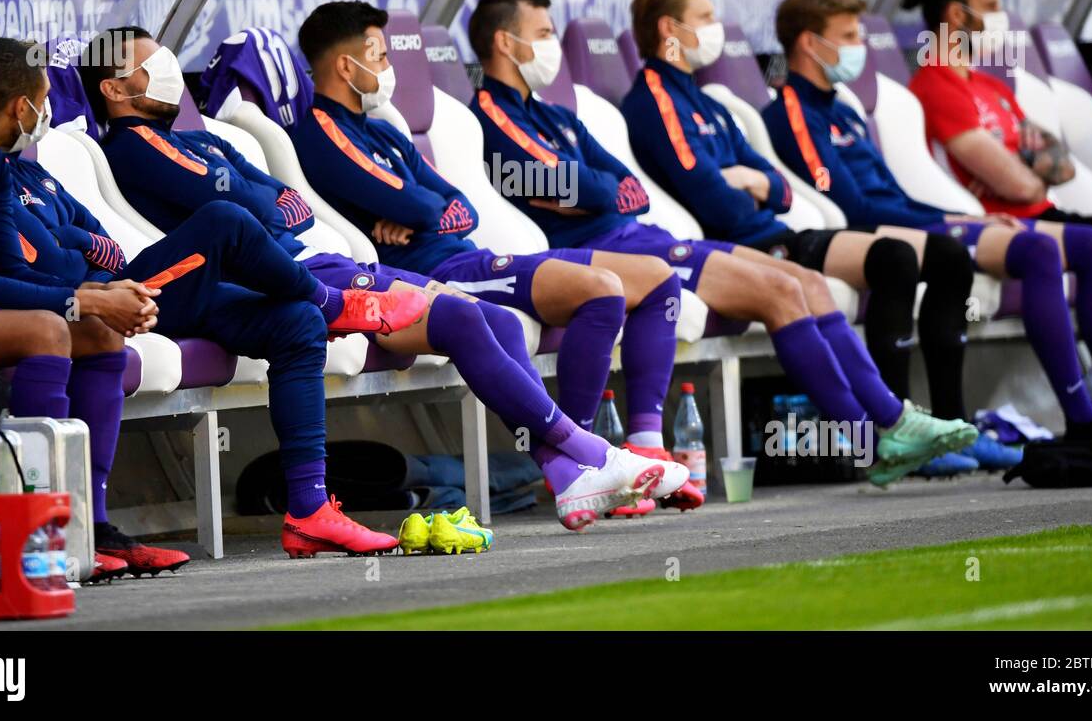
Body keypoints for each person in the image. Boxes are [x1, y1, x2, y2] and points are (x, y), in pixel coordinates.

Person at [78, 27, 686, 530]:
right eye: (146, 61)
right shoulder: (134, 146)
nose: (163, 66)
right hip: (281, 279)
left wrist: (271, 200)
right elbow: (257, 210)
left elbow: (292, 204)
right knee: (461, 315)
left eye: (163, 53)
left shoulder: (202, 140)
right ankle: (589, 454)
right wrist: (270, 200)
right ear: (113, 87)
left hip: (320, 260)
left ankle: (567, 472)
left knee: (494, 319)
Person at [467, 0, 979, 487]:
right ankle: (873, 437)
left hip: (645, 234)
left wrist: (594, 189)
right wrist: (594, 189)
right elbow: (582, 186)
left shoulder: (558, 116)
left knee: (807, 282)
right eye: (543, 33)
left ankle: (891, 421)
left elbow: (629, 190)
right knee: (781, 291)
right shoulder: (490, 114)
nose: (553, 43)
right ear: (506, 43)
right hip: (602, 252)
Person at [291, 0, 700, 513]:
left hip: (470, 254)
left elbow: (459, 207)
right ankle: (588, 461)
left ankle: (599, 459)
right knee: (601, 290)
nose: (391, 68)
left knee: (648, 280)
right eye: (381, 55)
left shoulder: (386, 129)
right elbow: (418, 201)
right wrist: (425, 210)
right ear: (347, 65)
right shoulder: (320, 129)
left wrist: (427, 212)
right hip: (432, 272)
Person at [621, 0, 1005, 474]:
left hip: (772, 235)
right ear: (671, 29)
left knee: (877, 265)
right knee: (845, 271)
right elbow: (717, 203)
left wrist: (754, 182)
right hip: (727, 245)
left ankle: (893, 429)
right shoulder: (654, 99)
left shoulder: (705, 99)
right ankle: (884, 434)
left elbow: (776, 186)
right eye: (707, 17)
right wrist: (748, 187)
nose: (718, 28)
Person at [762, 0, 1092, 449]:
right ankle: (1081, 420)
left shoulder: (844, 109)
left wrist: (960, 215)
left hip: (916, 218)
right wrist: (966, 220)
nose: (860, 48)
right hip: (877, 233)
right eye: (850, 36)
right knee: (1032, 249)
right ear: (810, 43)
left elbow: (893, 191)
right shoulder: (791, 112)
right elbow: (854, 206)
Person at [904, 0, 1092, 439]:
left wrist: (1033, 166)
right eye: (991, 6)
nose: (1002, 17)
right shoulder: (934, 85)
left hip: (1044, 212)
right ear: (955, 14)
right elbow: (1021, 183)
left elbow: (1060, 166)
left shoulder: (990, 85)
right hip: (996, 223)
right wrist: (1032, 166)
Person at [0, 38, 184, 578]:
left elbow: (12, 268)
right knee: (50, 331)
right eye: (45, 97)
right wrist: (80, 298)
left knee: (100, 332)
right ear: (20, 106)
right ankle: (42, 528)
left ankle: (91, 526)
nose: (49, 110)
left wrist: (99, 300)